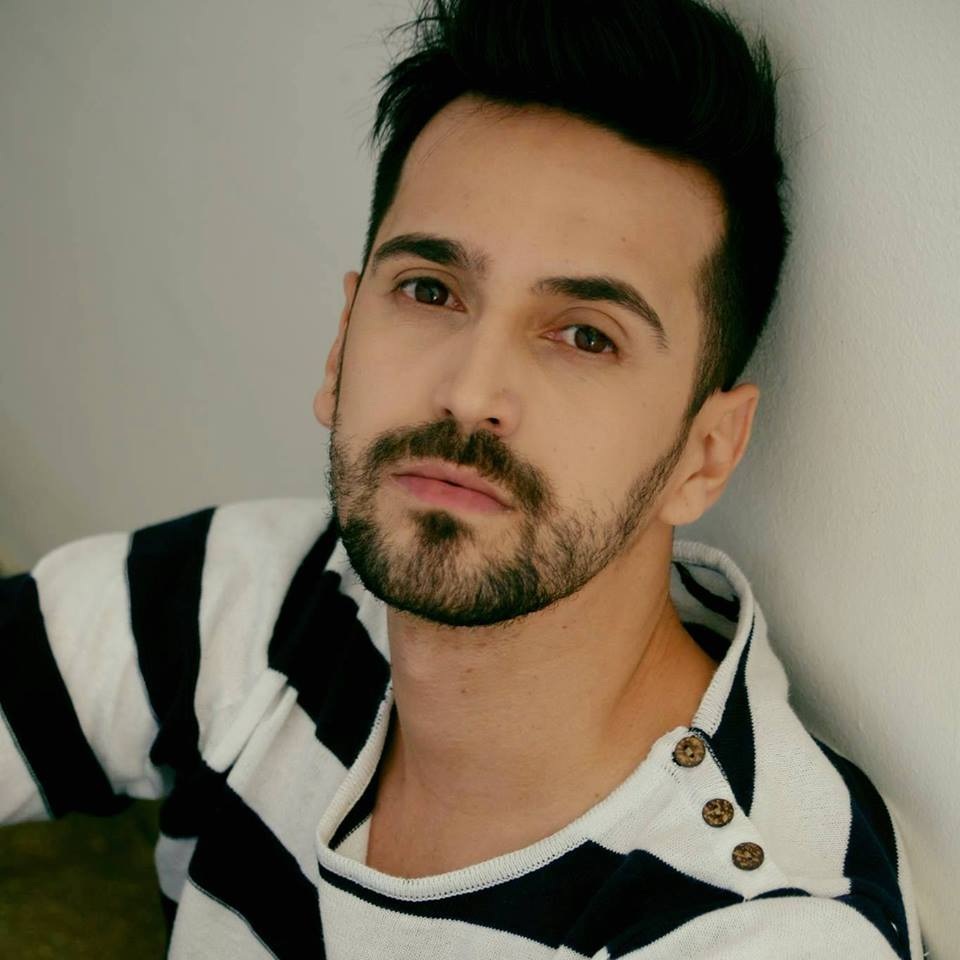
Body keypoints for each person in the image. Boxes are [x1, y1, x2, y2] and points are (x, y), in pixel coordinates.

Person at [0, 0, 922, 956]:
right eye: (431, 290)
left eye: (585, 336)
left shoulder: (759, 929)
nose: (471, 393)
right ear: (342, 344)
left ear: (706, 454)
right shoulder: (269, 600)